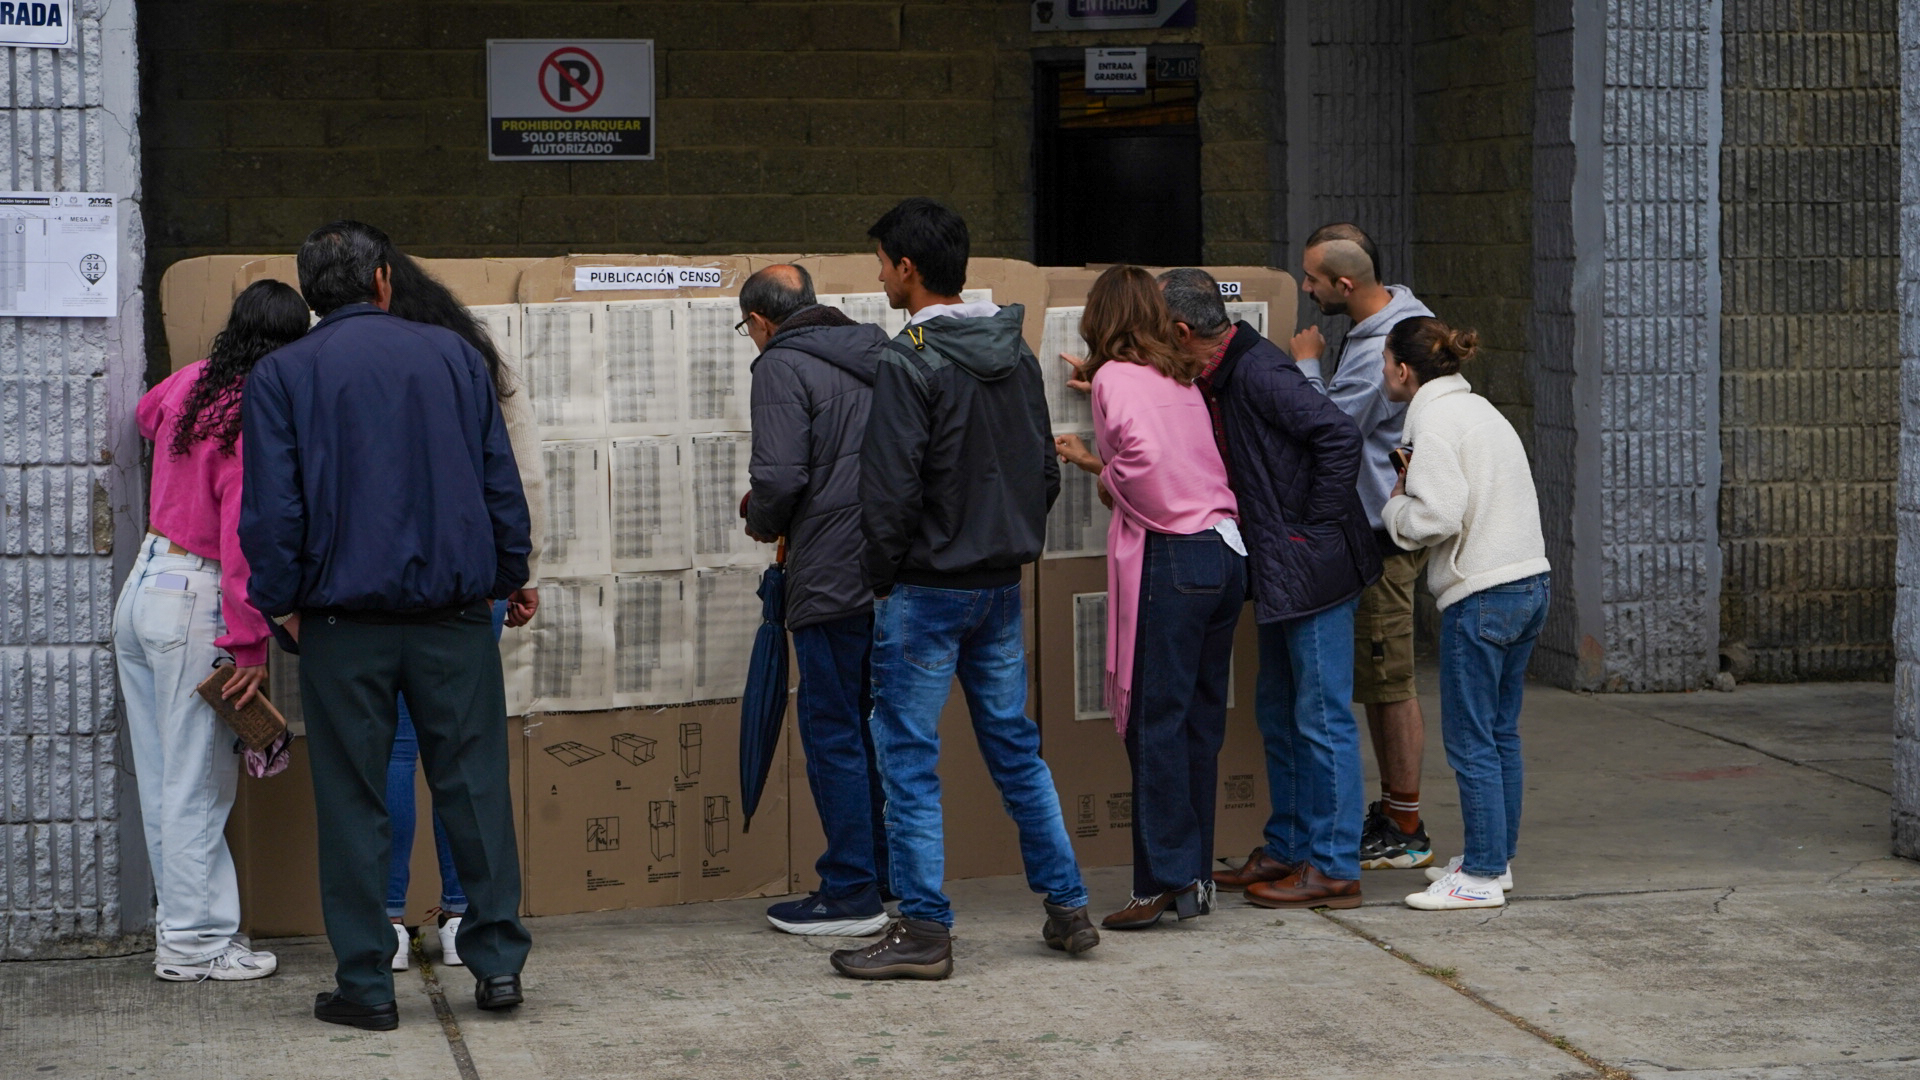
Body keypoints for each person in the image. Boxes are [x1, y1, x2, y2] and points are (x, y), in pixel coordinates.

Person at [240, 220, 534, 1029]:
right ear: (382, 281)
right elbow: (496, 481)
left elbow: (272, 513)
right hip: (453, 620)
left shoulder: (280, 374)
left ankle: (367, 984)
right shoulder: (452, 358)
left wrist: (284, 603)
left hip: (340, 623)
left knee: (353, 800)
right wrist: (511, 575)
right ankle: (499, 966)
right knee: (473, 787)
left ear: (311, 297)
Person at [831, 198, 1096, 980]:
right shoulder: (1012, 354)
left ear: (907, 269)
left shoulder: (907, 360)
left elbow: (887, 494)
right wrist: (1000, 537)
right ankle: (1068, 907)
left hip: (923, 590)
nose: (879, 274)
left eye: (881, 262)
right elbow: (1044, 471)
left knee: (908, 759)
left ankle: (923, 932)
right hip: (998, 586)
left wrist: (885, 577)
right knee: (1016, 750)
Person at [1148, 269, 1379, 909]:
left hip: (1314, 569)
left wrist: (1310, 531)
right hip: (1285, 569)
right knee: (1279, 711)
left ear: (1183, 330)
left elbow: (1338, 434)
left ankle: (1333, 867)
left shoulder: (1258, 372)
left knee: (1321, 717)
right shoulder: (1222, 370)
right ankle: (1288, 849)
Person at [114, 279, 310, 982]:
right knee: (198, 783)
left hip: (143, 590)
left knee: (167, 778)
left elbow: (143, 415)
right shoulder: (256, 416)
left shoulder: (193, 384)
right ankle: (197, 946)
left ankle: (180, 933)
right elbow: (243, 539)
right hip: (196, 600)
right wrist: (250, 642)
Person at [379, 249, 544, 972]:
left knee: (391, 750)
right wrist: (520, 571)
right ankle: (460, 917)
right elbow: (520, 468)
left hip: (373, 591)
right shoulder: (473, 357)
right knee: (461, 756)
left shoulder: (352, 360)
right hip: (468, 583)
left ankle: (382, 920)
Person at [1070, 266, 1244, 931]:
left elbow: (1139, 457)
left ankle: (1162, 881)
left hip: (1172, 557)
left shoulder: (1116, 377)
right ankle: (1194, 877)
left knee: (1155, 726)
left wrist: (1109, 477)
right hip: (1225, 553)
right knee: (1198, 723)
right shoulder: (1179, 374)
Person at [736, 263, 893, 937]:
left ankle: (851, 890)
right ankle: (885, 877)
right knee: (876, 729)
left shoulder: (780, 365)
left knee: (831, 730)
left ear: (762, 322)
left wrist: (760, 517)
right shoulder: (879, 352)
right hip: (891, 572)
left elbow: (778, 476)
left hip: (828, 573)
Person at [1378, 317, 1549, 910]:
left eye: (1384, 364)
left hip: (1480, 594)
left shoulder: (1434, 421)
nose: (1384, 375)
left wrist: (1394, 509)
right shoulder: (1480, 411)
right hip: (1528, 582)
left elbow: (1437, 517)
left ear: (1403, 370)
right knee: (1500, 735)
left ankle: (1477, 877)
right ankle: (1494, 862)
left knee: (1472, 739)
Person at [1290, 223, 1439, 872]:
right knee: (1381, 678)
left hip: (1383, 532)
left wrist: (1303, 363)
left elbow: (1332, 429)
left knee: (1389, 679)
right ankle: (1393, 808)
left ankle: (1405, 824)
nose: (1304, 287)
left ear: (1345, 285)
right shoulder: (1397, 315)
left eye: (1313, 280)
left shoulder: (1384, 346)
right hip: (1377, 524)